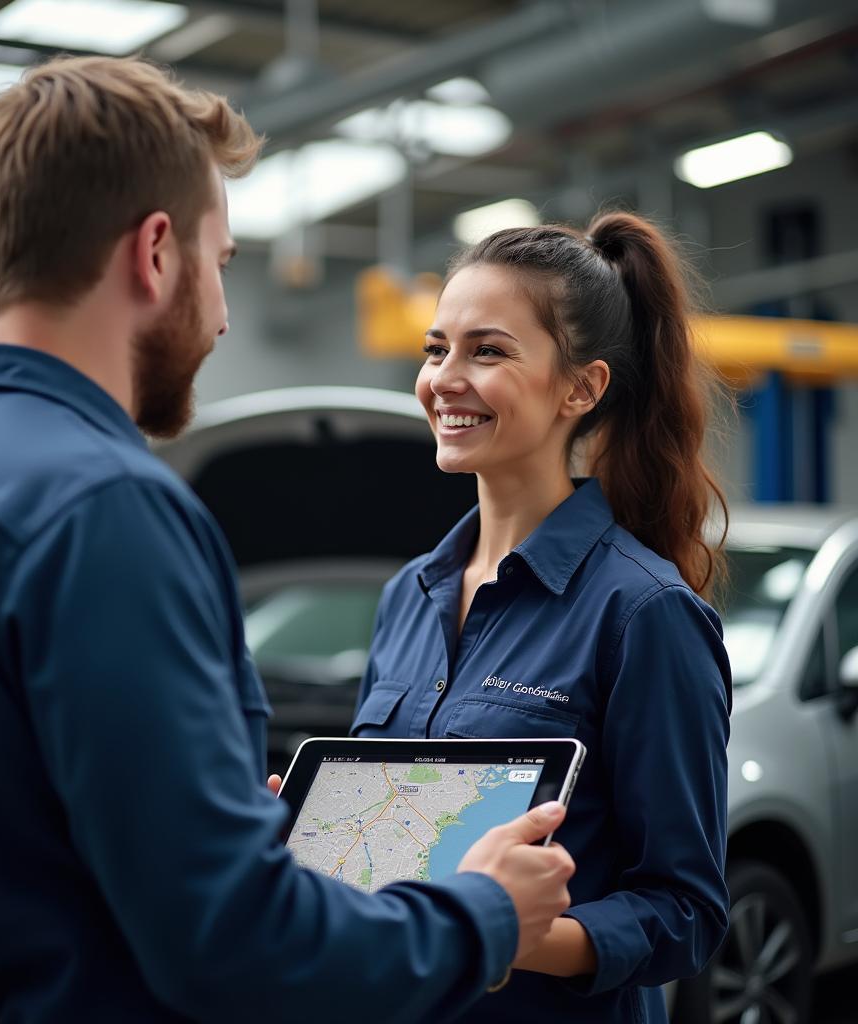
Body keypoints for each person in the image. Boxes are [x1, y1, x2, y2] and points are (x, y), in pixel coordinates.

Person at [0, 56, 576, 1024]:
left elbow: (0, 840)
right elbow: (237, 948)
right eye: (220, 264)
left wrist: (221, 814)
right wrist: (480, 912)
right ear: (155, 252)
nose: (224, 316)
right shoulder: (104, 507)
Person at [350, 214, 733, 1022]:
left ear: (581, 388)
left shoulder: (644, 613)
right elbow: (396, 858)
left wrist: (513, 933)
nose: (445, 378)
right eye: (435, 348)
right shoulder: (408, 597)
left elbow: (685, 912)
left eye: (486, 351)